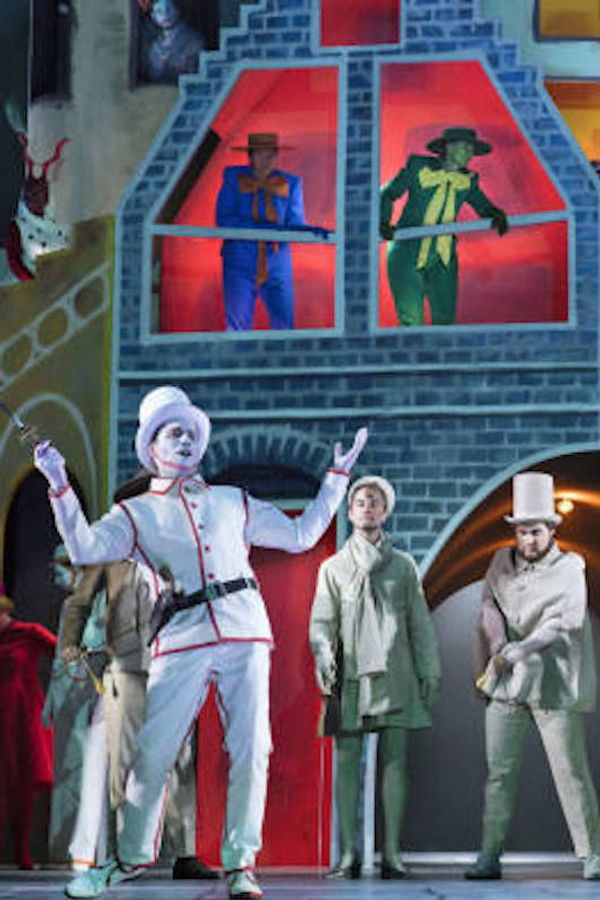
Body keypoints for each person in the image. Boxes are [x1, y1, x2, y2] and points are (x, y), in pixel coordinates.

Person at [33, 385, 367, 899]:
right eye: (175, 432)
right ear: (152, 447)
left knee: (252, 749)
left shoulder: (233, 501)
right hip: (182, 635)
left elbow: (301, 535)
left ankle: (240, 863)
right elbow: (82, 547)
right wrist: (58, 483)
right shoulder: (135, 513)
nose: (186, 440)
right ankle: (129, 857)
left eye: (192, 432)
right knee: (151, 753)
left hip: (245, 628)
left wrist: (336, 480)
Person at [59, 519, 218, 881]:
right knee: (125, 761)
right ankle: (125, 851)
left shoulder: (177, 554)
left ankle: (184, 852)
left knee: (180, 760)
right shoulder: (109, 556)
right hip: (127, 666)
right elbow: (79, 602)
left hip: (174, 665)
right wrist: (71, 641)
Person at [466, 471, 600, 881]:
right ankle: (489, 855)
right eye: (522, 532)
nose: (528, 540)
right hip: (507, 684)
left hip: (551, 684)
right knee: (499, 774)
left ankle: (593, 854)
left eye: (536, 531)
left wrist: (521, 649)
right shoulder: (500, 562)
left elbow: (563, 620)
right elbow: (489, 605)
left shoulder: (570, 567)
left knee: (570, 771)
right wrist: (498, 645)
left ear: (552, 530)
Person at [309, 476, 440, 879]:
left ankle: (393, 853)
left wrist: (429, 669)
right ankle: (348, 853)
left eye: (375, 502)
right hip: (350, 672)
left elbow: (419, 623)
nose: (368, 508)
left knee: (396, 761)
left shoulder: (403, 566)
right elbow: (322, 620)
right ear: (350, 512)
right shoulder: (333, 568)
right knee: (347, 761)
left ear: (385, 511)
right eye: (361, 502)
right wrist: (322, 652)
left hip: (396, 670)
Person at [380, 126, 508, 326]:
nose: (470, 155)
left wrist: (495, 214)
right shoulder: (418, 168)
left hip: (443, 255)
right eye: (465, 148)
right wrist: (383, 221)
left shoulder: (468, 181)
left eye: (471, 150)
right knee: (410, 322)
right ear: (448, 147)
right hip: (407, 252)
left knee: (445, 320)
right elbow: (387, 194)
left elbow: (482, 205)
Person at [43, 546, 107, 867]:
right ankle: (67, 847)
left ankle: (90, 847)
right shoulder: (71, 605)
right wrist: (50, 702)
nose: (55, 574)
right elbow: (60, 659)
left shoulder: (100, 603)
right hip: (68, 693)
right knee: (69, 770)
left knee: (89, 768)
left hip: (91, 690)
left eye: (60, 567)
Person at [216, 132, 305, 331]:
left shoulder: (290, 183)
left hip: (277, 261)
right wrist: (263, 229)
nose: (266, 160)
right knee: (237, 325)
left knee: (284, 324)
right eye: (260, 154)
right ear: (250, 156)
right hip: (240, 260)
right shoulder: (234, 178)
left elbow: (296, 223)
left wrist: (312, 231)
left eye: (270, 155)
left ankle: (280, 354)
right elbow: (224, 219)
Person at [0, 581, 56, 869]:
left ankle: (23, 852)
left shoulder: (28, 633)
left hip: (21, 719)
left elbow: (64, 654)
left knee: (21, 786)